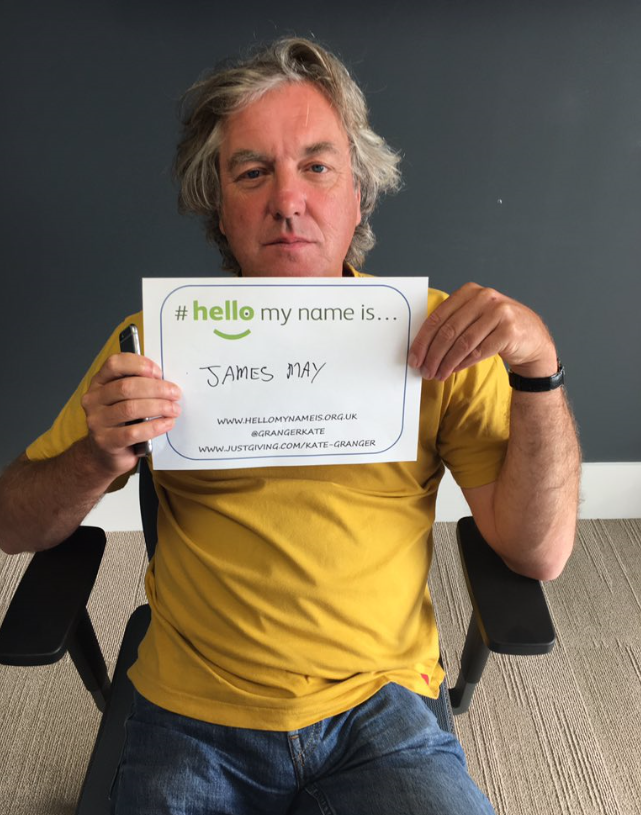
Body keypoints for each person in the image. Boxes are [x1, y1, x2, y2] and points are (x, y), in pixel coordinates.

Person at [0, 37, 580, 815]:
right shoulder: (152, 341)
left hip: (381, 705)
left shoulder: (444, 338)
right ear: (218, 205)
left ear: (358, 194)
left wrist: (537, 368)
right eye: (251, 172)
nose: (287, 200)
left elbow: (537, 551)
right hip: (189, 708)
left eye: (316, 166)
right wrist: (95, 456)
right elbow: (13, 522)